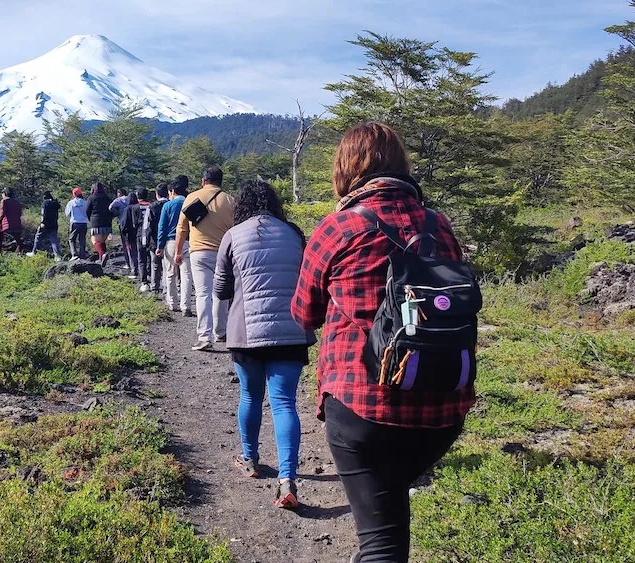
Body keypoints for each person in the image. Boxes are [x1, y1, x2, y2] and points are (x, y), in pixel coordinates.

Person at [291, 123, 473, 563]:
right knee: (387, 517)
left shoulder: (337, 228)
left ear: (345, 169)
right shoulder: (439, 225)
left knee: (381, 541)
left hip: (363, 404)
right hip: (442, 403)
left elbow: (304, 315)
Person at [214, 179, 314, 510]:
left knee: (250, 396)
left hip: (248, 332)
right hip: (291, 330)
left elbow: (220, 289)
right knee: (285, 403)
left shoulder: (233, 236)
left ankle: (250, 458)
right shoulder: (294, 233)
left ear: (241, 204)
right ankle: (287, 481)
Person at [174, 166, 235, 351]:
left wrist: (178, 252)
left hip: (198, 252)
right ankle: (221, 331)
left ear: (203, 180)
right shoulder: (230, 200)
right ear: (221, 181)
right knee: (221, 292)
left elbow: (182, 228)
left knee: (203, 293)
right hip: (224, 253)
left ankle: (204, 336)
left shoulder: (192, 197)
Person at [157, 176, 193, 315]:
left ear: (172, 191)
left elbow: (162, 227)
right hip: (188, 241)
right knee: (187, 274)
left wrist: (160, 245)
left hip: (171, 241)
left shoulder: (168, 205)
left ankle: (173, 303)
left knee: (171, 273)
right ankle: (186, 306)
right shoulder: (190, 202)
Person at [142, 182, 169, 294]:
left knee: (155, 264)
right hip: (170, 239)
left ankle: (155, 287)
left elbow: (146, 226)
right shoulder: (171, 205)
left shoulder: (152, 207)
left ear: (157, 194)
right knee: (168, 265)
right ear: (168, 194)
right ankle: (167, 288)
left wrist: (145, 242)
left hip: (155, 239)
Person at [118, 190, 145, 281]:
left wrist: (123, 232)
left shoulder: (128, 209)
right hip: (139, 233)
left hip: (129, 235)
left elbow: (123, 223)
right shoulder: (138, 207)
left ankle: (134, 270)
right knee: (140, 253)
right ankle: (143, 271)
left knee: (132, 252)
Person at [27, 190, 63, 260]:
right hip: (54, 224)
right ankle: (58, 256)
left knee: (38, 237)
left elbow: (43, 213)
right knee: (54, 240)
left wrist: (42, 222)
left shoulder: (45, 203)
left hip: (45, 224)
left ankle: (34, 252)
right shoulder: (55, 203)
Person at [87, 182, 114, 265]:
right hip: (107, 223)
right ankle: (101, 259)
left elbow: (87, 210)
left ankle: (103, 254)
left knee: (94, 240)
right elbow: (112, 209)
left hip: (96, 222)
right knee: (102, 241)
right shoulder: (107, 198)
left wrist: (90, 219)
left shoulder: (91, 198)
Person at [0, 189, 25, 254]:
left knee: (0, 232)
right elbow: (20, 213)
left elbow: (2, 213)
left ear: (5, 194)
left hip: (7, 224)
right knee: (18, 238)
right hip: (17, 223)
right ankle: (20, 251)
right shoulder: (17, 202)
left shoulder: (4, 201)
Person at [110, 188, 131, 270]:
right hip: (131, 223)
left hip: (122, 223)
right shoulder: (129, 198)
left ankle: (128, 263)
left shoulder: (118, 200)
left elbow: (110, 207)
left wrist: (117, 213)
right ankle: (133, 262)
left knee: (125, 243)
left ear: (119, 193)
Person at [65, 187, 89, 259]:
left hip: (74, 222)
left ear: (74, 194)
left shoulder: (71, 203)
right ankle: (82, 254)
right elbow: (87, 213)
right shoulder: (85, 203)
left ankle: (74, 254)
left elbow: (67, 213)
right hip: (84, 223)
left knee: (72, 239)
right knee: (82, 239)